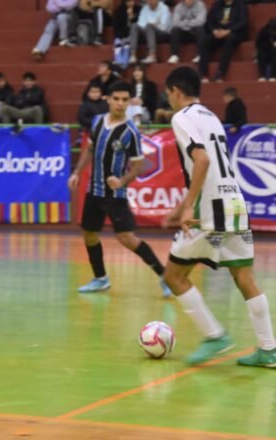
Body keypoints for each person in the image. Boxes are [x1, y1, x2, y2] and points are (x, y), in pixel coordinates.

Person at [162, 66, 276, 367]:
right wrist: (182, 205)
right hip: (235, 203)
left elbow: (202, 159)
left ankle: (215, 336)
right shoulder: (211, 116)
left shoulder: (181, 117)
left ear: (175, 91)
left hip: (210, 210)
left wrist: (188, 206)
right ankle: (269, 350)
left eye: (168, 94)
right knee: (244, 276)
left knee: (174, 276)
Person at [68, 81, 171, 296]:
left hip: (115, 194)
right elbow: (89, 149)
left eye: (125, 100)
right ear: (108, 99)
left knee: (127, 239)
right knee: (89, 235)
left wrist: (122, 181)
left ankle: (164, 276)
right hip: (93, 191)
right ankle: (100, 278)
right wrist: (77, 172)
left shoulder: (130, 131)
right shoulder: (97, 122)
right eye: (116, 99)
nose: (120, 103)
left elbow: (139, 164)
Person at [198, 0, 248, 82]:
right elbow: (209, 21)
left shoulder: (240, 5)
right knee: (205, 41)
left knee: (229, 40)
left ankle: (220, 73)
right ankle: (203, 73)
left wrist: (228, 31)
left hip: (234, 32)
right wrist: (214, 30)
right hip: (219, 31)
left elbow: (243, 22)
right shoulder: (216, 5)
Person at [129, 0, 172, 64]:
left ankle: (152, 55)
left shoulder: (164, 8)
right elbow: (140, 24)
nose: (150, 1)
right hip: (147, 33)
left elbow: (164, 27)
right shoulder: (144, 9)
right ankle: (133, 55)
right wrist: (154, 24)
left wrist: (152, 26)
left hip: (162, 34)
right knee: (134, 26)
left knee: (149, 26)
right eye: (148, 0)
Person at [112, 0, 142, 68]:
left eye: (132, 1)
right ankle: (119, 63)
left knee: (126, 45)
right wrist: (120, 36)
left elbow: (138, 25)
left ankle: (124, 64)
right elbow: (116, 27)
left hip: (134, 35)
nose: (131, 3)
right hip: (122, 35)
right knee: (118, 43)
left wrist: (131, 16)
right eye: (128, 1)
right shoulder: (119, 11)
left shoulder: (138, 9)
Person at [255, 17, 276, 82]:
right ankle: (262, 75)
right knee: (261, 53)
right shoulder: (263, 31)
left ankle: (273, 75)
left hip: (274, 51)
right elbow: (258, 43)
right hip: (264, 49)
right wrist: (271, 44)